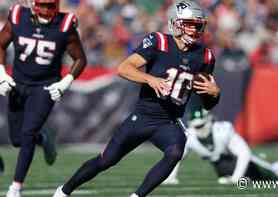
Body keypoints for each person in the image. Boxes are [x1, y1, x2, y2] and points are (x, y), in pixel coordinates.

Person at [53, 1, 220, 197]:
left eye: (197, 25)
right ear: (175, 23)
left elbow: (207, 103)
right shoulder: (159, 42)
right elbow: (124, 68)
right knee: (106, 160)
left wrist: (214, 93)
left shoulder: (205, 57)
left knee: (176, 151)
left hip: (168, 122)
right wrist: (150, 79)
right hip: (143, 116)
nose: (194, 29)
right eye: (189, 23)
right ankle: (64, 191)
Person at [0, 0, 87, 196]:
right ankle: (43, 138)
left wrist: (65, 83)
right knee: (16, 140)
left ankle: (15, 188)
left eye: (50, 5)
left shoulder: (65, 24)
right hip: (18, 83)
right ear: (33, 4)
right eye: (43, 5)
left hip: (45, 86)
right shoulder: (18, 16)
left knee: (27, 133)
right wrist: (2, 74)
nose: (47, 10)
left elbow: (80, 58)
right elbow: (1, 44)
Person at [163, 109, 278, 185]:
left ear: (209, 120)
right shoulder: (191, 136)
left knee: (273, 174)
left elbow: (244, 154)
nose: (199, 129)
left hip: (247, 164)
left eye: (201, 125)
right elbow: (177, 156)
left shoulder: (223, 130)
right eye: (196, 126)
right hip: (224, 167)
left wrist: (236, 178)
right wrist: (171, 177)